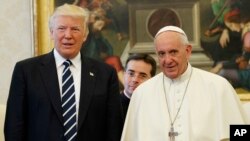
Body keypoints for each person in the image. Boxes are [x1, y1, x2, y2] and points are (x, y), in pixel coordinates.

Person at [4, 4, 123, 141]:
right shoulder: (26, 71)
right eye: (61, 28)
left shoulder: (106, 74)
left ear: (85, 35)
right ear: (51, 33)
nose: (68, 35)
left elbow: (114, 127)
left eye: (75, 29)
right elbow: (14, 125)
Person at [121, 26, 248, 141]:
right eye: (161, 54)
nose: (167, 60)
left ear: (188, 51)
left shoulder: (218, 86)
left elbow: (241, 134)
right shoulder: (142, 93)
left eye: (173, 52)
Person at [120, 53, 157, 118]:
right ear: (124, 75)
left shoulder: (157, 107)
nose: (135, 80)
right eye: (131, 74)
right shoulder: (109, 105)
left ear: (152, 80)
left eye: (142, 76)